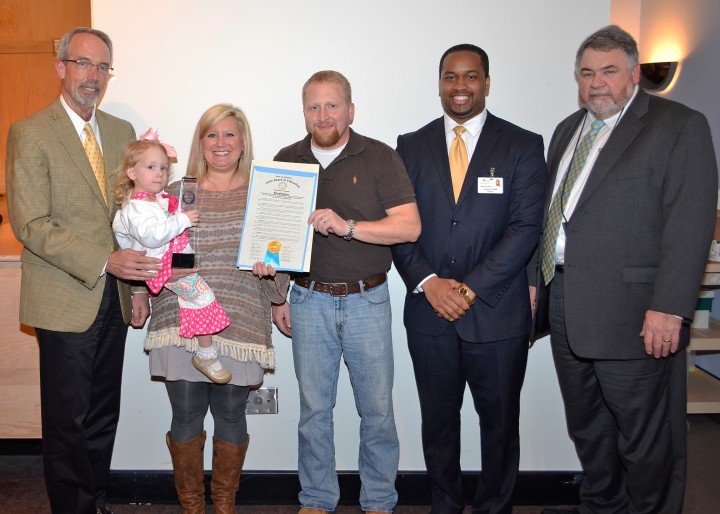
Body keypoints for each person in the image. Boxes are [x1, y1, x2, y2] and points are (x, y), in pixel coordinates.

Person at [530, 26, 718, 514]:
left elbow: (690, 225)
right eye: (587, 73)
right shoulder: (567, 130)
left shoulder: (678, 126)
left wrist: (670, 308)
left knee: (645, 437)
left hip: (635, 314)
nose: (596, 82)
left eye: (609, 71)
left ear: (634, 74)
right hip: (565, 303)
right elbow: (552, 216)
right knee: (589, 429)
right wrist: (535, 283)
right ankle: (602, 506)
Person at [4, 27, 160, 514]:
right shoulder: (30, 132)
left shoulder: (120, 131)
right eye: (83, 63)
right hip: (63, 297)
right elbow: (31, 224)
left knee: (102, 414)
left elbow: (131, 216)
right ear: (61, 67)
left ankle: (95, 503)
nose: (93, 75)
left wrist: (137, 288)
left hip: (115, 298)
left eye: (102, 66)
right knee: (67, 422)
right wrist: (104, 261)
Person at [392, 44, 547, 514]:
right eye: (450, 77)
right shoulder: (410, 146)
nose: (460, 86)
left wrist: (468, 288)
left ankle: (495, 507)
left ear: (487, 82)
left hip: (497, 315)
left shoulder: (522, 144)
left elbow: (526, 229)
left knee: (499, 426)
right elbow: (398, 226)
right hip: (429, 314)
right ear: (440, 83)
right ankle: (445, 505)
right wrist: (429, 282)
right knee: (438, 425)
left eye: (471, 76)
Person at [272, 70, 421, 514]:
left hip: (367, 300)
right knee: (314, 411)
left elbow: (409, 227)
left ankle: (379, 501)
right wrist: (277, 294)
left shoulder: (379, 156)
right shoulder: (287, 159)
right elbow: (275, 239)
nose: (323, 115)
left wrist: (347, 226)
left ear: (350, 110)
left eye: (332, 105)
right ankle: (317, 499)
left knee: (377, 411)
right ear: (304, 112)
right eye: (314, 106)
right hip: (307, 300)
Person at [145, 104, 289, 513]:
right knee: (186, 413)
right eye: (212, 134)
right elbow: (145, 243)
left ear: (243, 142)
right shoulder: (176, 193)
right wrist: (140, 291)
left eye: (229, 134)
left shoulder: (265, 193)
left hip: (241, 317)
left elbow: (280, 253)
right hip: (181, 318)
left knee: (230, 413)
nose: (220, 143)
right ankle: (192, 506)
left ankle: (224, 504)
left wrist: (275, 278)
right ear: (200, 142)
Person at [113, 131, 232, 384]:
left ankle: (201, 342)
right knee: (202, 296)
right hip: (159, 264)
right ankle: (206, 355)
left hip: (170, 258)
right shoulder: (136, 207)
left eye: (164, 168)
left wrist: (179, 211)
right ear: (132, 173)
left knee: (196, 292)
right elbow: (152, 237)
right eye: (151, 167)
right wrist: (182, 220)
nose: (159, 173)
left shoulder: (155, 200)